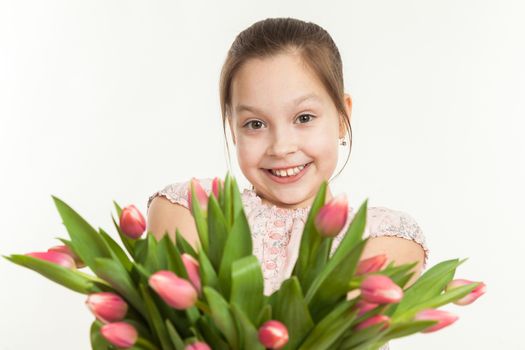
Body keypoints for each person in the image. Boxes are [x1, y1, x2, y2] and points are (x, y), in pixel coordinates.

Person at [146, 17, 429, 349]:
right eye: (255, 123)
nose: (281, 146)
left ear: (342, 117)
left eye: (304, 118)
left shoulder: (387, 236)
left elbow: (329, 326)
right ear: (232, 128)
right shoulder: (192, 207)